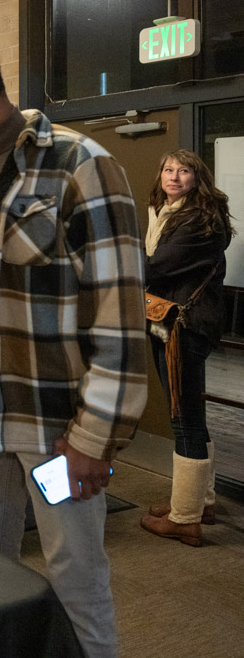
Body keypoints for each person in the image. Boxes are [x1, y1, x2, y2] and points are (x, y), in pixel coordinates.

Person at [0, 35, 147, 658]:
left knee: (74, 570)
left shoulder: (79, 163)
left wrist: (94, 437)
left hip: (53, 419)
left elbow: (120, 316)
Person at [140, 150, 234, 547]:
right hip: (172, 325)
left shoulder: (197, 220)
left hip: (185, 327)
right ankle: (201, 503)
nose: (174, 176)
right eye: (168, 169)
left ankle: (185, 518)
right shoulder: (167, 215)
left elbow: (155, 267)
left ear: (198, 178)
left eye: (184, 171)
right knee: (190, 415)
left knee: (185, 420)